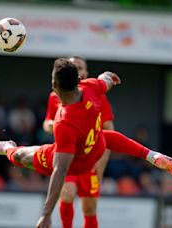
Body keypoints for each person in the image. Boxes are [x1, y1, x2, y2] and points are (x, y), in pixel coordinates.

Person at [0, 58, 172, 228]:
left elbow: (60, 170)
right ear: (78, 80)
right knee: (107, 136)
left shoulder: (65, 122)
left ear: (54, 85)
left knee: (22, 157)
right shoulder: (90, 87)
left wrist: (46, 214)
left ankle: (5, 147)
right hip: (97, 147)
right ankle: (152, 155)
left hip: (78, 163)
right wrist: (110, 77)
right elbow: (105, 81)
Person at [42, 56, 114, 228]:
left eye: (80, 68)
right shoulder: (55, 97)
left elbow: (109, 131)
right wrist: (51, 125)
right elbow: (46, 122)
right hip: (67, 157)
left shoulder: (94, 93)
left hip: (91, 157)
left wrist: (102, 164)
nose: (78, 70)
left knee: (89, 208)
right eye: (74, 67)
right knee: (66, 194)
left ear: (84, 74)